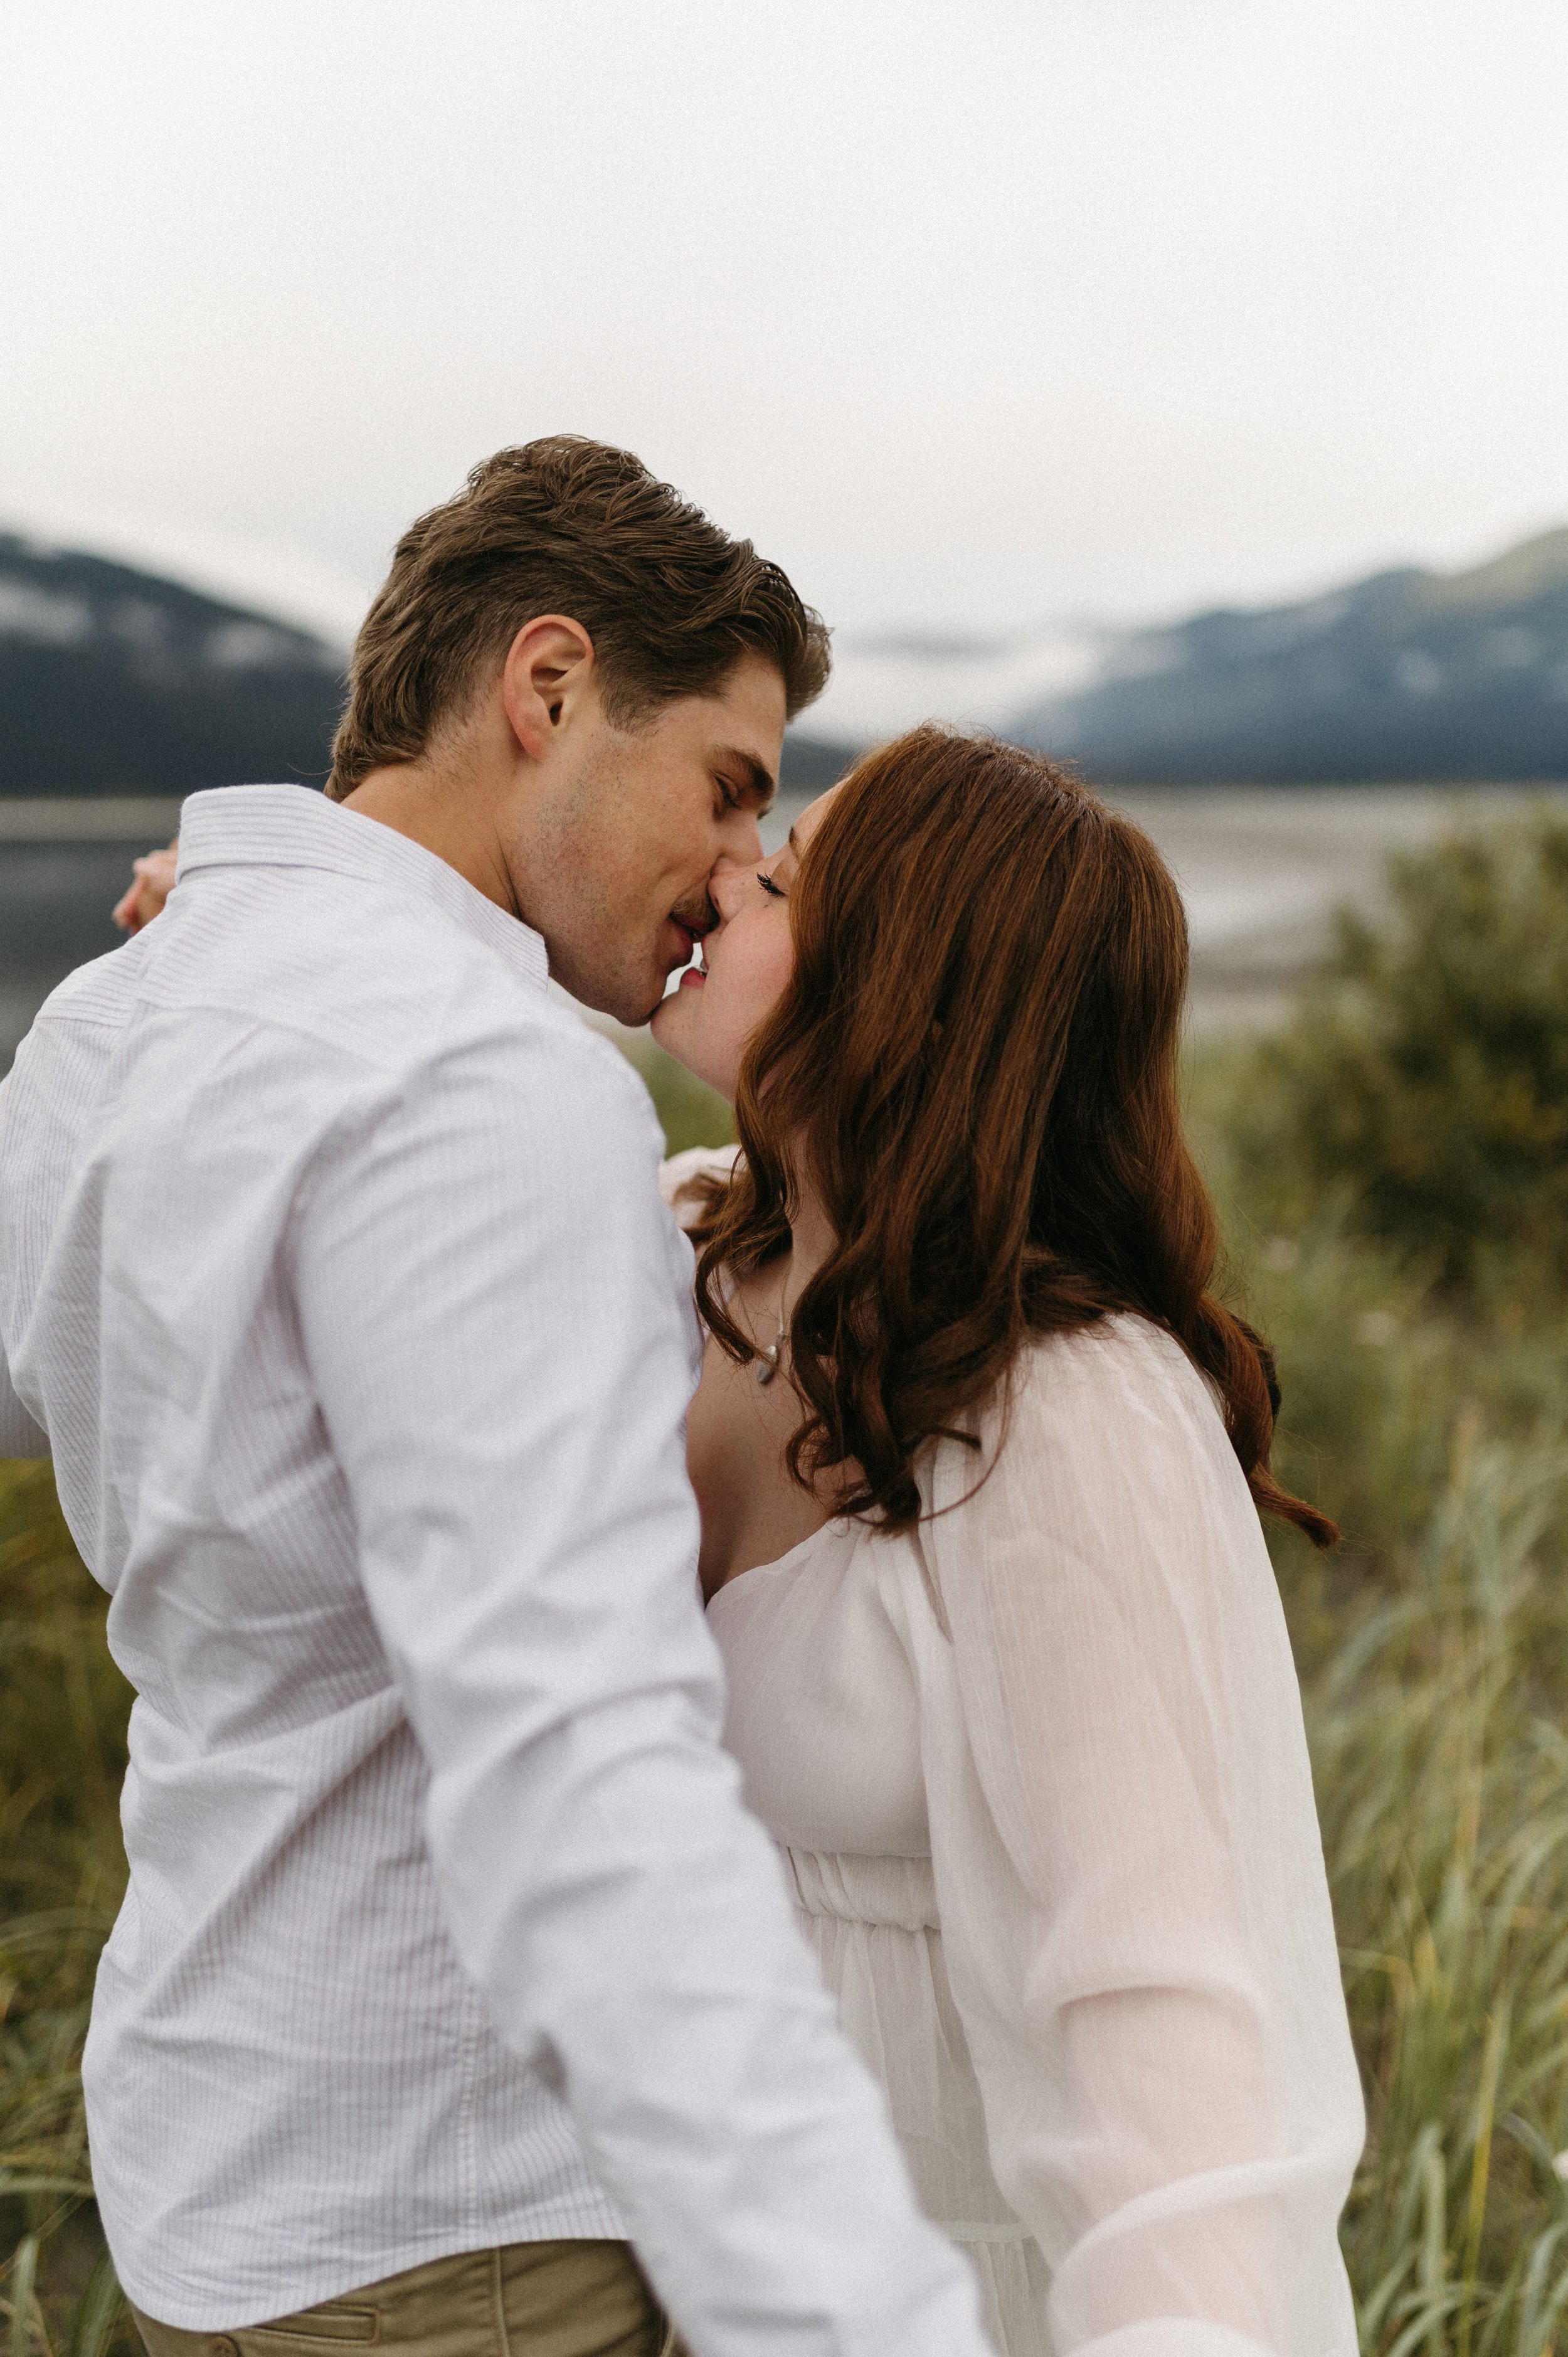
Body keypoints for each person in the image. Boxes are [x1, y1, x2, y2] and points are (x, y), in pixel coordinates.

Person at [0, 442, 994, 2357]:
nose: (736, 865)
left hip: (213, 2152)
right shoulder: (482, 1081)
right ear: (547, 689)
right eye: (726, 784)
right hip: (464, 2224)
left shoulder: (120, 1021)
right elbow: (573, 1763)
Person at [649, 726, 1367, 2357]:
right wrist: (300, 927)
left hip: (972, 2298)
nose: (716, 876)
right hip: (705, 2263)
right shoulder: (683, 1243)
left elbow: (1162, 2013)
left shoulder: (1063, 1414)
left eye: (776, 879)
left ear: (901, 985)